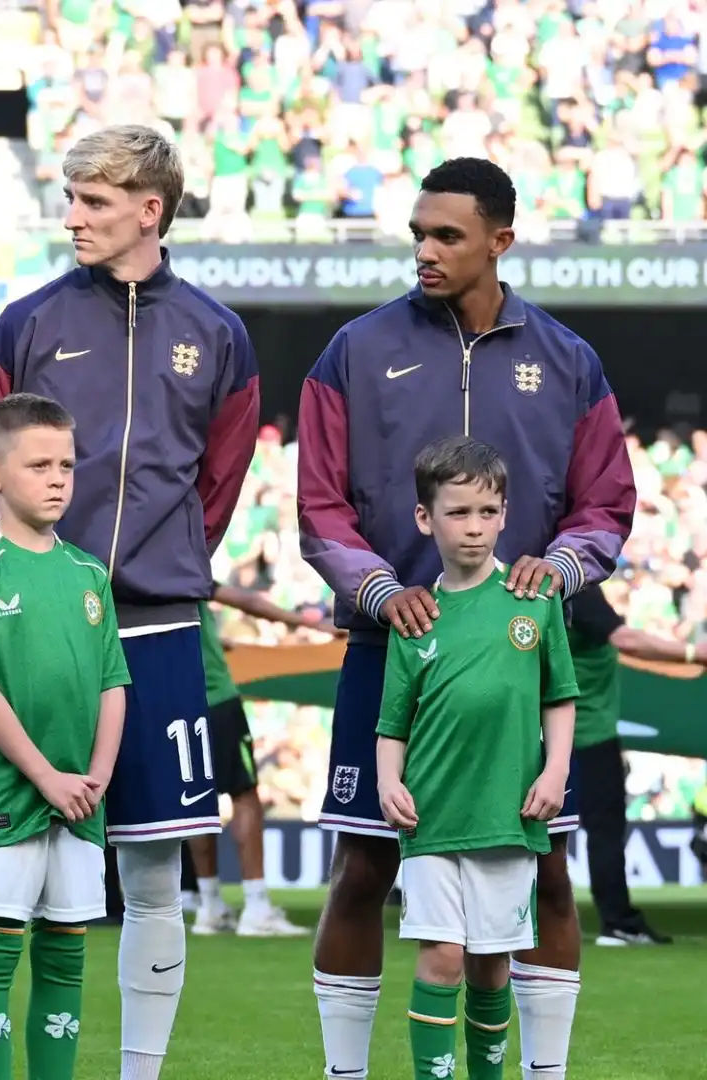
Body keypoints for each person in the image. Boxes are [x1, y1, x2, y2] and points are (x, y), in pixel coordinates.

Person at [296, 157, 634, 1080]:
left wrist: (560, 568)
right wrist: (375, 587)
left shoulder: (569, 362)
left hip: (520, 659)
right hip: (389, 648)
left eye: (447, 234)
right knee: (365, 867)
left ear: (501, 240)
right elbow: (319, 507)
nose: (426, 251)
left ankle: (544, 1073)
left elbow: (605, 505)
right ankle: (347, 1073)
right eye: (418, 233)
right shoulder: (356, 352)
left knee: (549, 873)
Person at [0, 123, 259, 1080]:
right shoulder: (26, 321)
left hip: (162, 628)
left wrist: (160, 563)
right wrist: (47, 574)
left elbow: (222, 480)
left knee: (158, 873)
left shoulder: (217, 334)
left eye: (93, 201)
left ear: (148, 210)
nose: (73, 215)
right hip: (38, 625)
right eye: (72, 197)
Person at [377, 436, 579, 1080]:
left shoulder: (534, 599)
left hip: (508, 814)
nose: (475, 528)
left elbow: (560, 695)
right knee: (441, 956)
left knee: (492, 963)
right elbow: (392, 723)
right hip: (432, 817)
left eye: (488, 513)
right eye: (458, 513)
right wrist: (388, 781)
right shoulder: (416, 617)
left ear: (505, 512)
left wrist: (556, 770)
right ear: (425, 518)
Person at [0, 393, 128, 1080]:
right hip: (3, 795)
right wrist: (45, 776)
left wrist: (97, 776)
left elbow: (114, 682)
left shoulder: (87, 574)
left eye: (67, 466)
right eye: (39, 465)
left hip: (81, 798)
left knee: (65, 954)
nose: (58, 479)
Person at [182, 584, 318, 938]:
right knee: (244, 796)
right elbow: (247, 600)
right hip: (217, 699)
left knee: (197, 802)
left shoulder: (131, 573)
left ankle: (210, 906)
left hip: (176, 706)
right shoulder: (185, 566)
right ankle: (256, 907)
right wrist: (306, 622)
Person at [566, 585, 696, 946]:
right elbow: (626, 640)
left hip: (557, 734)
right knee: (605, 832)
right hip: (588, 737)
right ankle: (619, 922)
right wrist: (692, 652)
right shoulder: (580, 591)